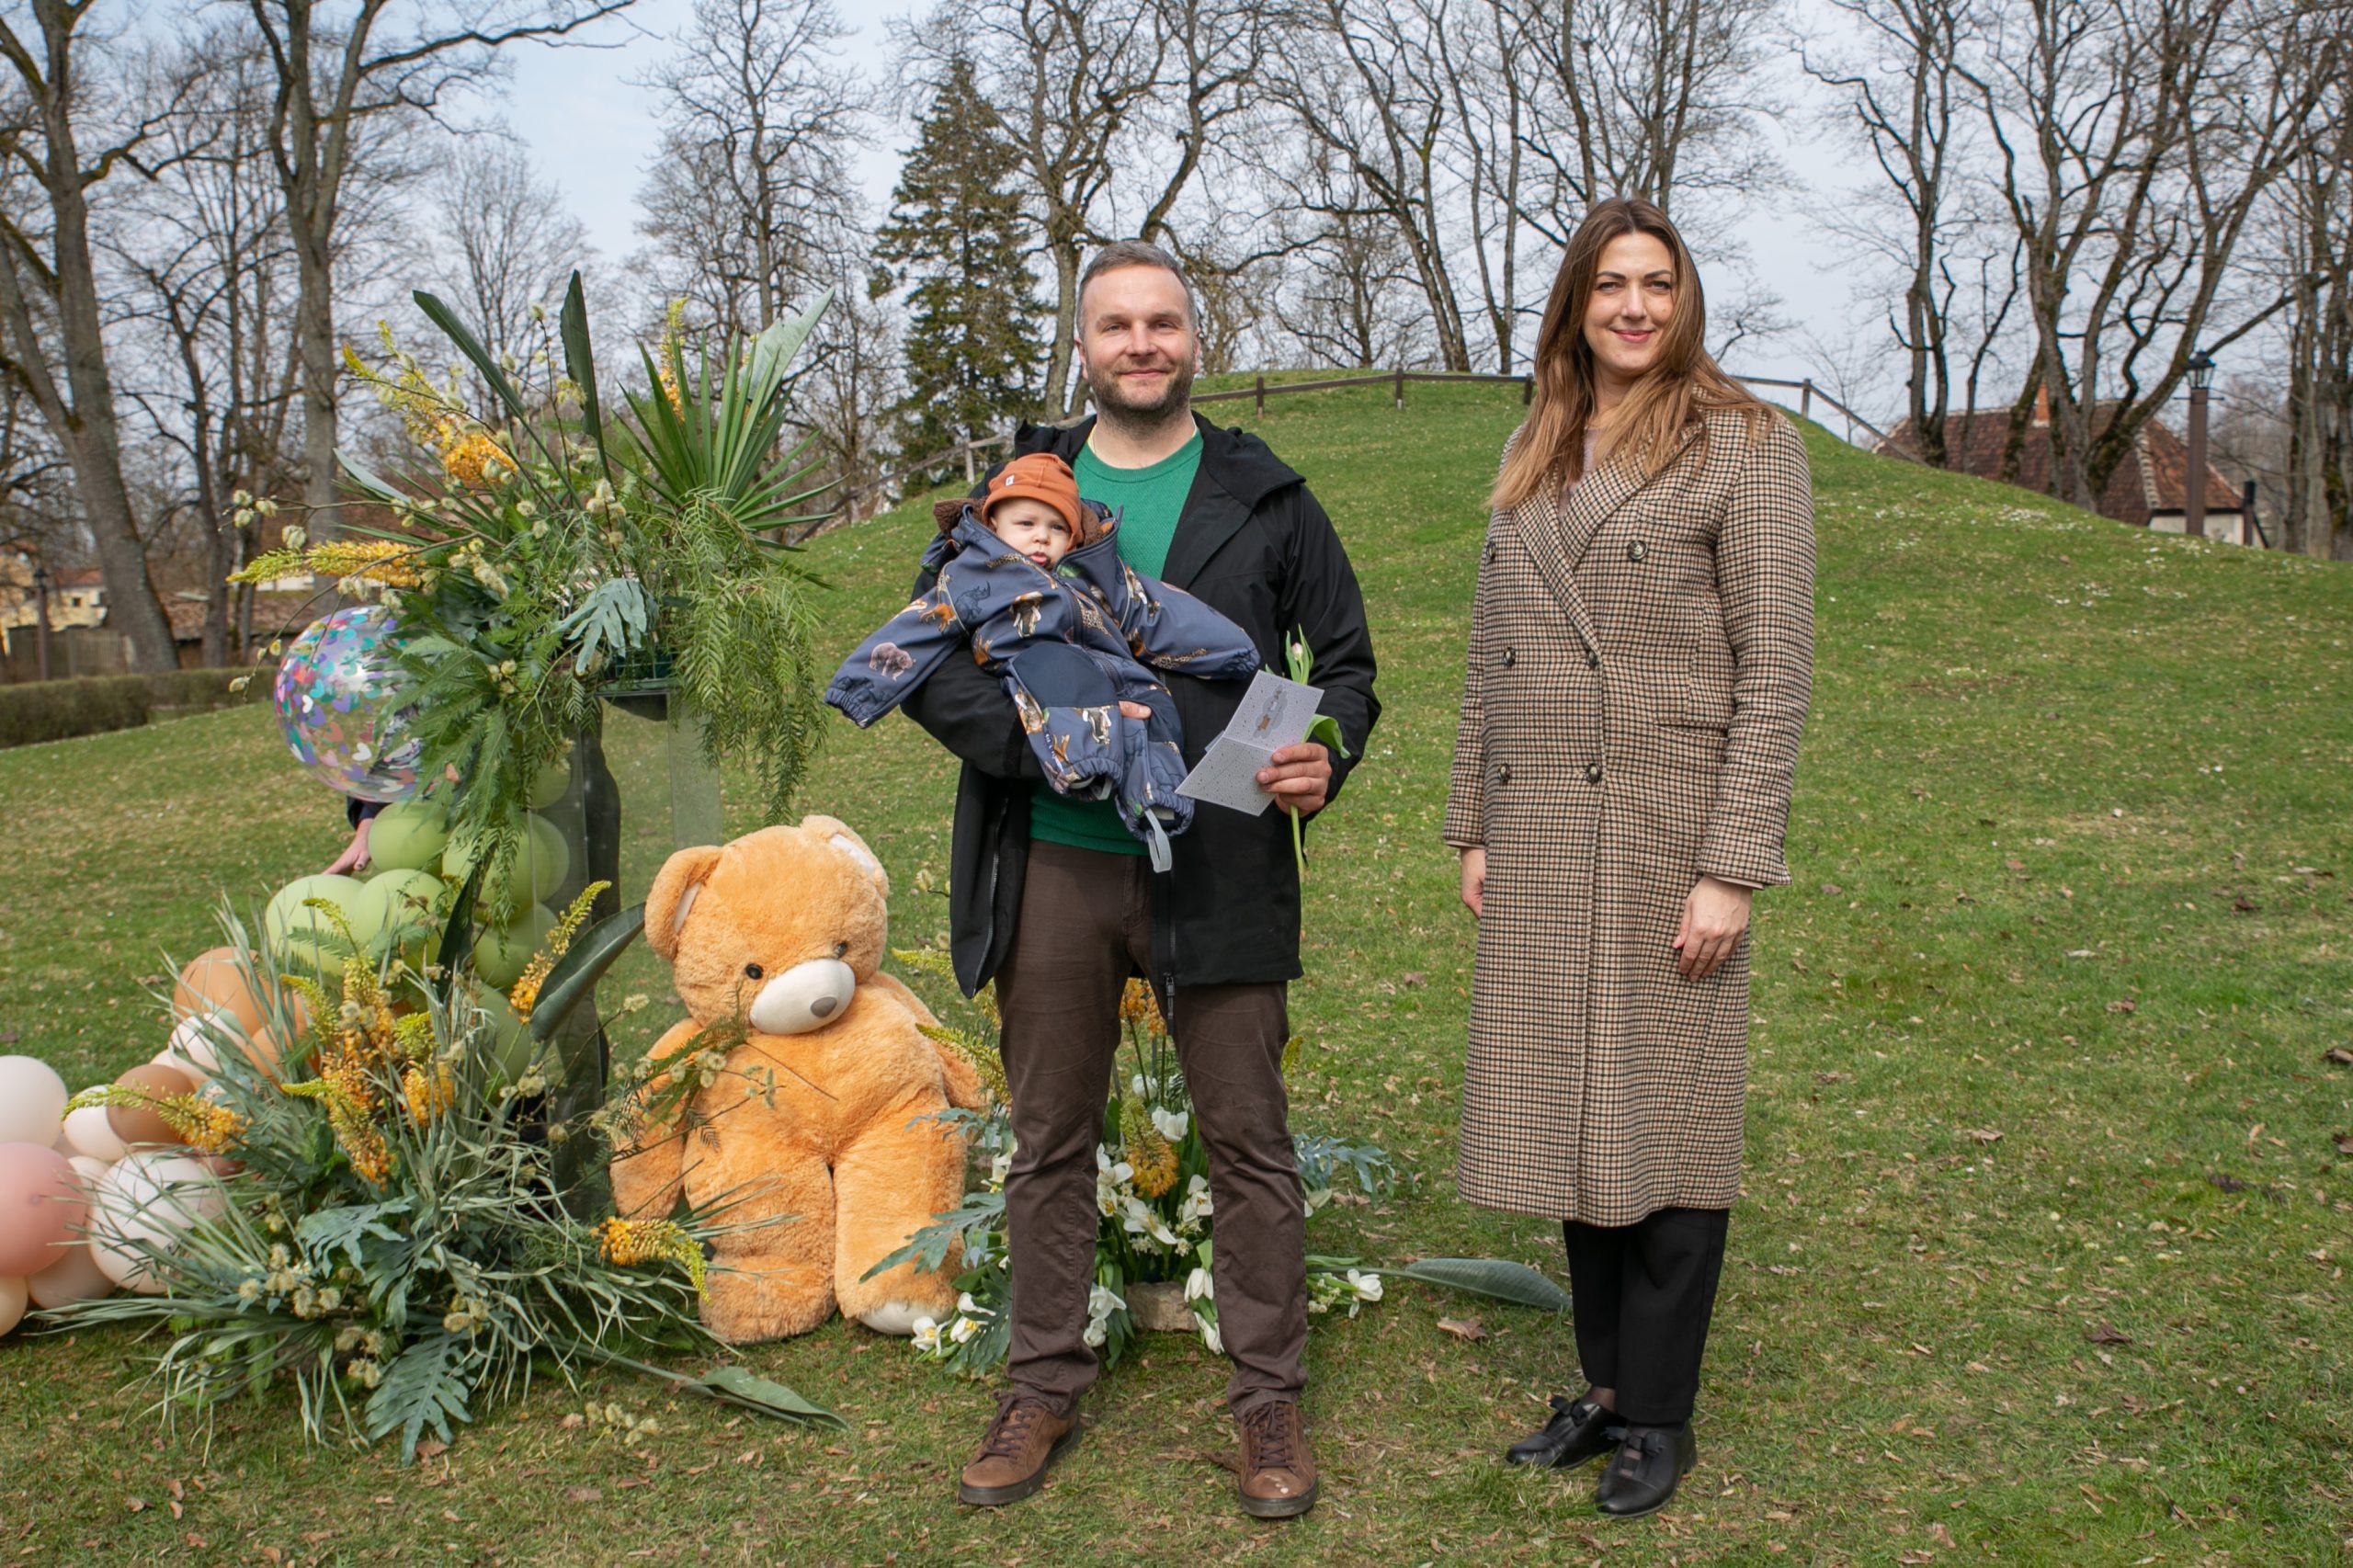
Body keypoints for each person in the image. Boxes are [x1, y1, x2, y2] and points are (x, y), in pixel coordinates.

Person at [900, 239, 1379, 1519]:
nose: (1141, 343)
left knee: (1249, 1139)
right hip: (1055, 861)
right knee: (1049, 1138)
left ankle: (1266, 1393)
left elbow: (1344, 664)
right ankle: (1041, 1381)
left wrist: (1323, 750)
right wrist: (1052, 751)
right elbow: (928, 656)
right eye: (1116, 324)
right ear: (1084, 345)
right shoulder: (1019, 493)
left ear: (1193, 339)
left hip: (1217, 855)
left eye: (1162, 321)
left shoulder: (1266, 496)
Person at [1443, 197, 1814, 1518]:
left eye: (1658, 283)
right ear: (1577, 303)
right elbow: (1490, 652)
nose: (1636, 307)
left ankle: (1660, 1411)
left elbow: (1775, 669)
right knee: (1569, 1107)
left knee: (1668, 1119)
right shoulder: (1536, 441)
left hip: (1668, 828)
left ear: (1686, 299)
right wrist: (1475, 822)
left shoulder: (1744, 444)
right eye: (1611, 284)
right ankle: (1604, 1386)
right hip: (1542, 828)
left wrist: (1733, 864)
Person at [825, 451, 1262, 869]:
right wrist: (860, 687)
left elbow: (1156, 611)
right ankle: (1085, 768)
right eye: (1026, 523)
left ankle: (1156, 800)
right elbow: (920, 624)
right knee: (1063, 673)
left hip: (1115, 667)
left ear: (1073, 537)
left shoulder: (1097, 574)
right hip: (1037, 665)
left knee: (1153, 705)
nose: (1041, 536)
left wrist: (1234, 651)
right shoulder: (974, 574)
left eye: (1057, 527)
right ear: (993, 524)